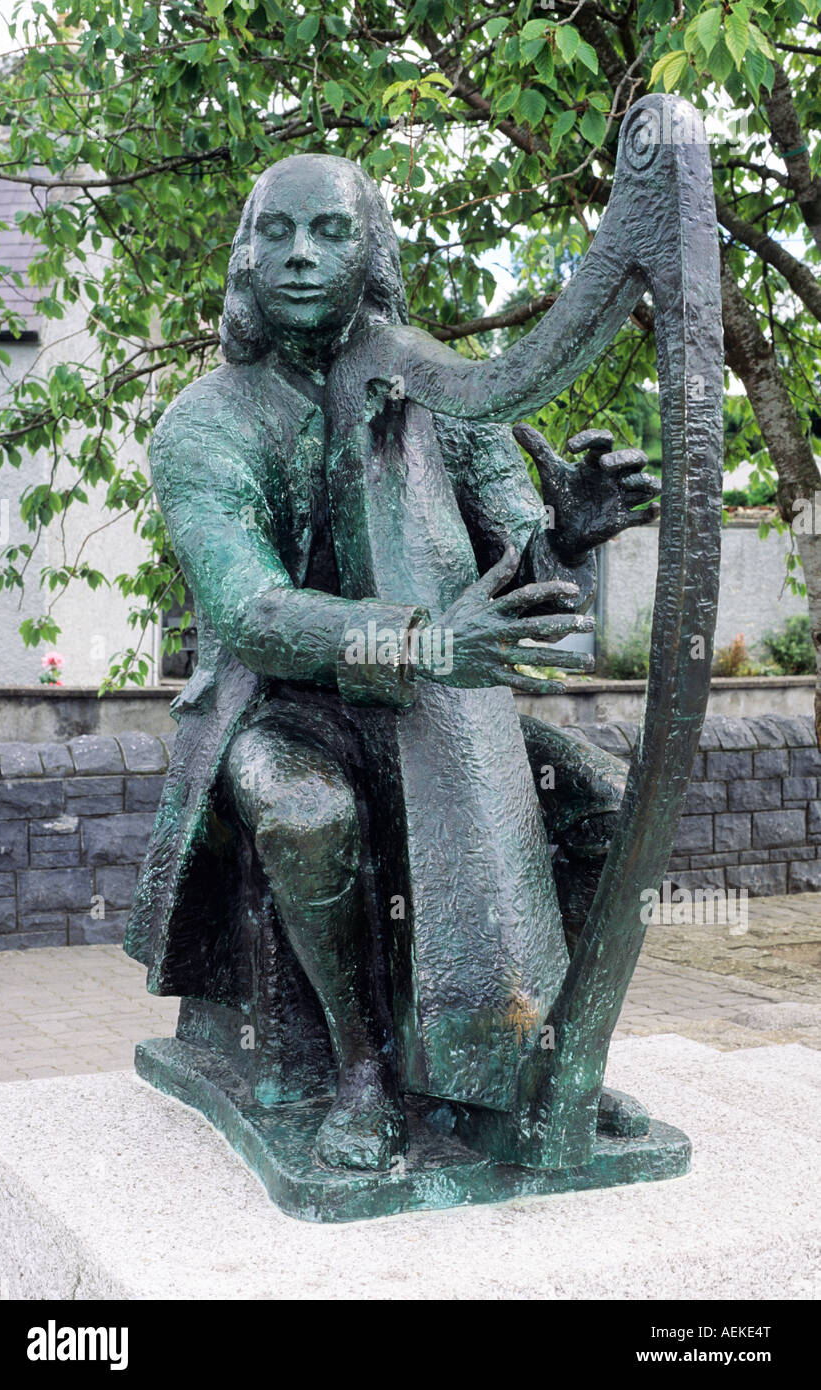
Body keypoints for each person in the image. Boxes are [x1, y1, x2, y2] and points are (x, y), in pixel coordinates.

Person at [125, 154, 660, 1171]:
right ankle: (361, 1071)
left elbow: (517, 563)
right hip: (280, 711)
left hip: (430, 704)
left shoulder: (442, 394)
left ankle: (545, 1054)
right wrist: (421, 640)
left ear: (369, 253)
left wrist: (570, 539)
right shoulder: (203, 423)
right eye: (274, 232)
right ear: (242, 258)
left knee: (600, 802)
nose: (298, 256)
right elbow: (253, 613)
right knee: (306, 813)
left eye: (329, 231)